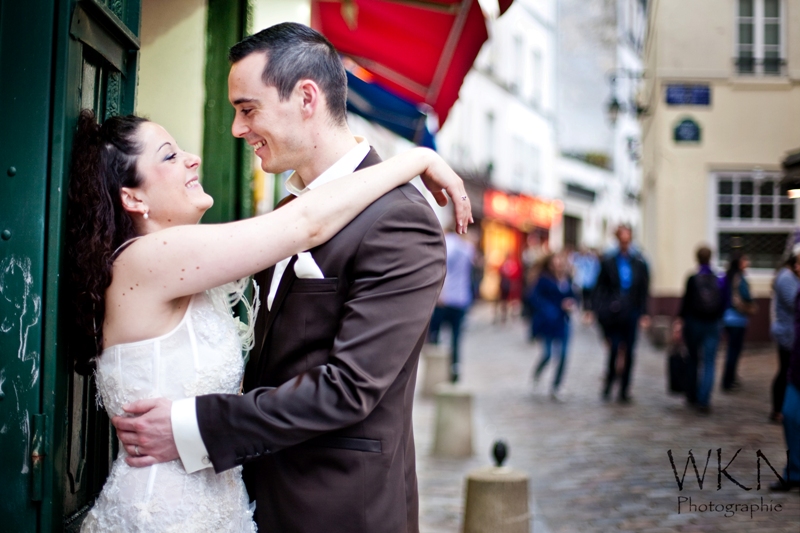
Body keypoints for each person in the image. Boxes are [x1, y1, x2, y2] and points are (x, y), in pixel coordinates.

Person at [108, 23, 470, 533]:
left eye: (248, 109)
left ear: (306, 98)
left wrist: (194, 427)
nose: (237, 128)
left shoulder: (400, 219)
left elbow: (348, 389)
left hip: (335, 509)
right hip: (242, 501)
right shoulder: (287, 214)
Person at [593, 224, 650, 403]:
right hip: (614, 312)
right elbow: (599, 287)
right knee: (615, 348)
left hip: (632, 311)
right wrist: (599, 308)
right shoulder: (609, 261)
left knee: (630, 351)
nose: (625, 243)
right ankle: (609, 383)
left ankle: (625, 389)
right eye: (622, 239)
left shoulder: (639, 262)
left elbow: (643, 289)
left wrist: (644, 313)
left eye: (628, 239)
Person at [678, 245, 724, 414]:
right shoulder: (719, 278)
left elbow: (685, 303)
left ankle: (692, 395)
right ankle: (704, 398)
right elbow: (724, 302)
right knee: (709, 362)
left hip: (694, 323)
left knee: (693, 359)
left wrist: (680, 321)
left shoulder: (692, 278)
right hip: (712, 324)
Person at [428, 227, 477, 382]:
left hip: (451, 298)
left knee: (442, 333)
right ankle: (450, 368)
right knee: (453, 336)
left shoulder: (458, 245)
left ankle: (448, 369)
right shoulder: (463, 247)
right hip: (456, 298)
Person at [529, 252, 577, 401]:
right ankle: (537, 374)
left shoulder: (567, 279)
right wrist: (549, 309)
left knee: (563, 354)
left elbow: (575, 296)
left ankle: (556, 386)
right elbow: (534, 298)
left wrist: (571, 303)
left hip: (563, 322)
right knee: (548, 354)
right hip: (548, 322)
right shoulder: (544, 280)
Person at [770, 256, 800, 492]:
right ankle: (794, 472)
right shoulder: (795, 289)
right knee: (789, 415)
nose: (798, 267)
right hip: (797, 366)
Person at [769, 249, 800, 422]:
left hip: (789, 332)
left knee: (786, 371)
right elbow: (792, 302)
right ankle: (778, 409)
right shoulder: (786, 277)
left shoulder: (789, 276)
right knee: (786, 372)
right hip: (787, 333)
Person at [721, 251, 756, 392]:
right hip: (738, 319)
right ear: (739, 262)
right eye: (745, 260)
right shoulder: (740, 278)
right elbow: (747, 296)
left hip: (727, 317)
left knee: (731, 349)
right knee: (734, 351)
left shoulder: (726, 276)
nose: (747, 262)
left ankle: (730, 377)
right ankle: (728, 380)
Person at [495, 252, 522, 322]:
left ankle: (512, 314)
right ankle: (504, 315)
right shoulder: (504, 265)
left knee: (513, 301)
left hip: (511, 285)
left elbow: (517, 274)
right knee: (504, 301)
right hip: (505, 285)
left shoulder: (513, 265)